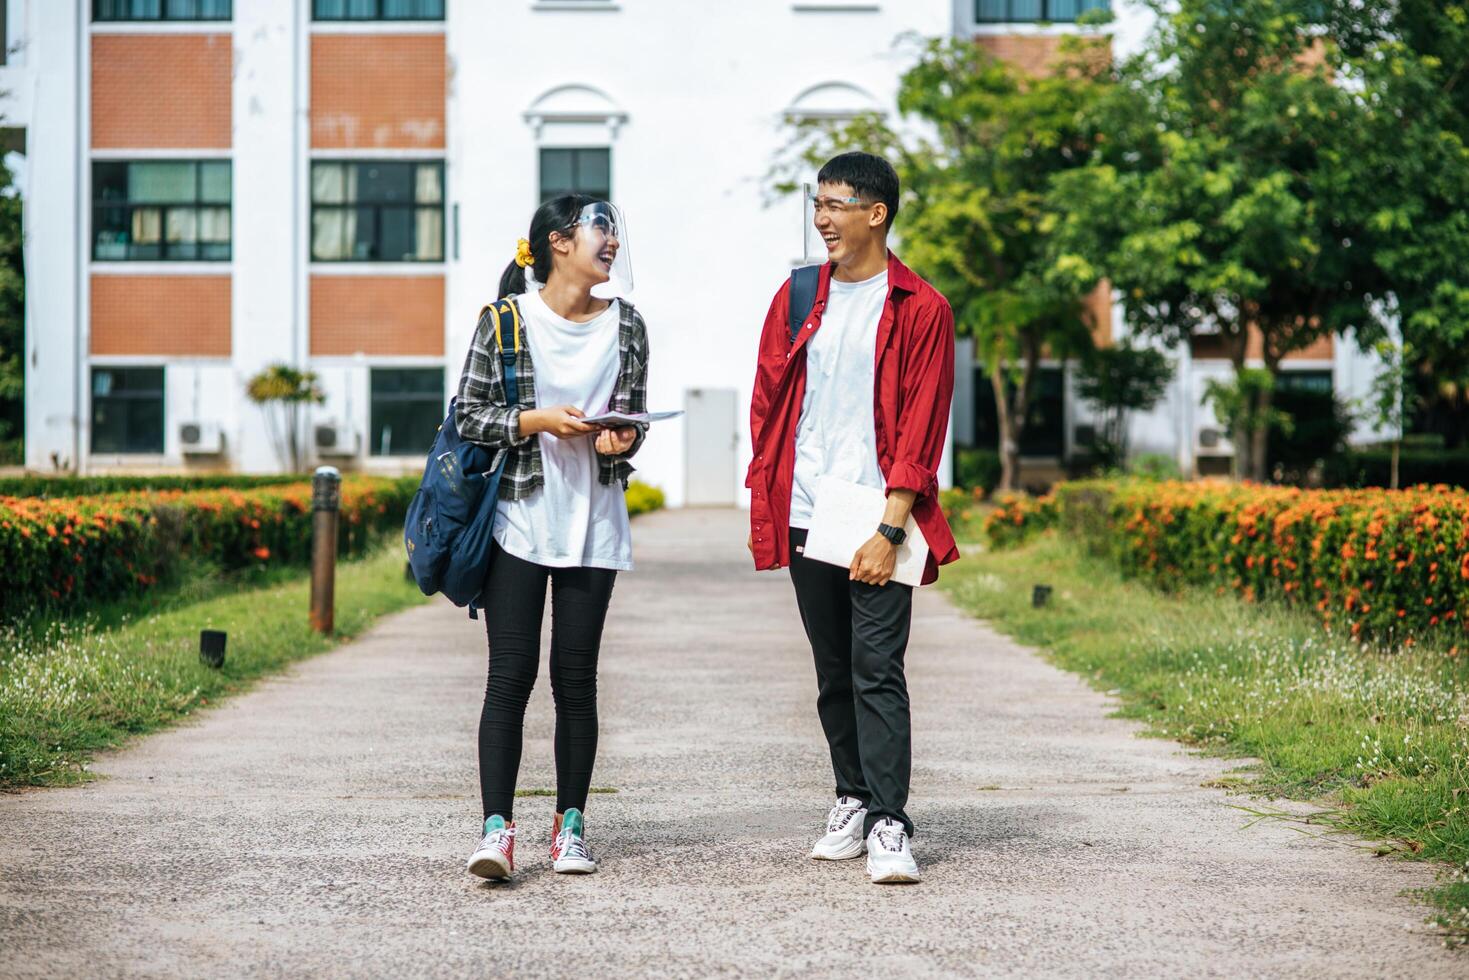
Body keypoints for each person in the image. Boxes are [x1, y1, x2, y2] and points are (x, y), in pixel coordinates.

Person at [746, 151, 959, 884]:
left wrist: (891, 526)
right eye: (816, 204)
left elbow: (921, 426)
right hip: (808, 507)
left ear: (877, 213)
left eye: (834, 204)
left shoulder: (921, 308)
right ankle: (851, 797)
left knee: (877, 670)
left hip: (874, 511)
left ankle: (890, 823)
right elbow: (770, 402)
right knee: (832, 671)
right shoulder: (799, 294)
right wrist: (769, 489)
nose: (821, 218)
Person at [455, 194, 648, 881]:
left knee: (577, 681)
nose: (614, 244)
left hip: (592, 523)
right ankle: (496, 831)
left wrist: (620, 440)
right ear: (560, 243)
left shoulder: (627, 325)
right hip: (517, 519)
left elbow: (628, 430)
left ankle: (570, 828)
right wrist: (537, 420)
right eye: (604, 231)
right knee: (509, 677)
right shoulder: (505, 321)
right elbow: (469, 416)